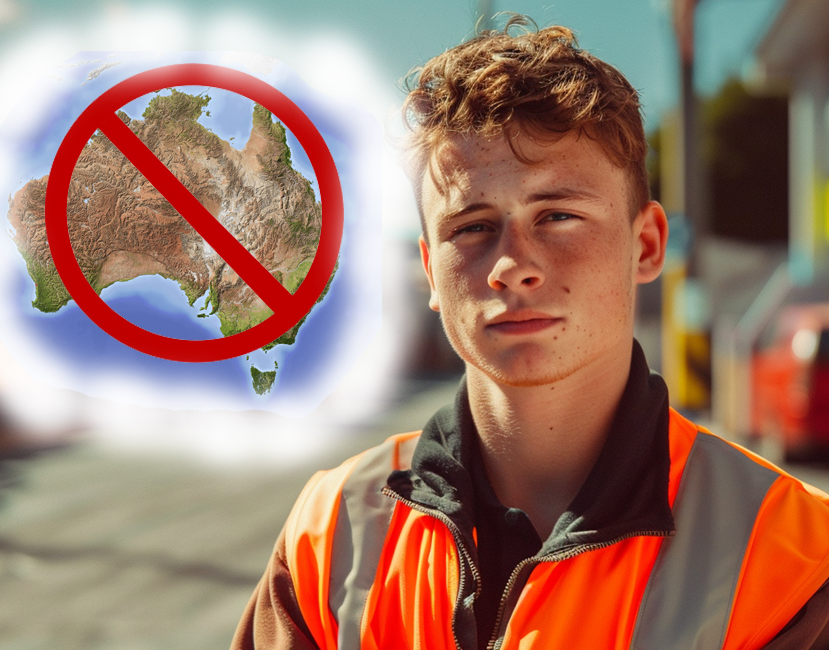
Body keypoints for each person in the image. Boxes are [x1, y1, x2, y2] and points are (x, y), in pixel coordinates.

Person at [232, 16, 829, 649]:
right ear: (431, 271)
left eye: (558, 216)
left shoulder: (791, 557)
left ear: (646, 244)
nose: (512, 266)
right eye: (472, 227)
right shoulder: (329, 535)